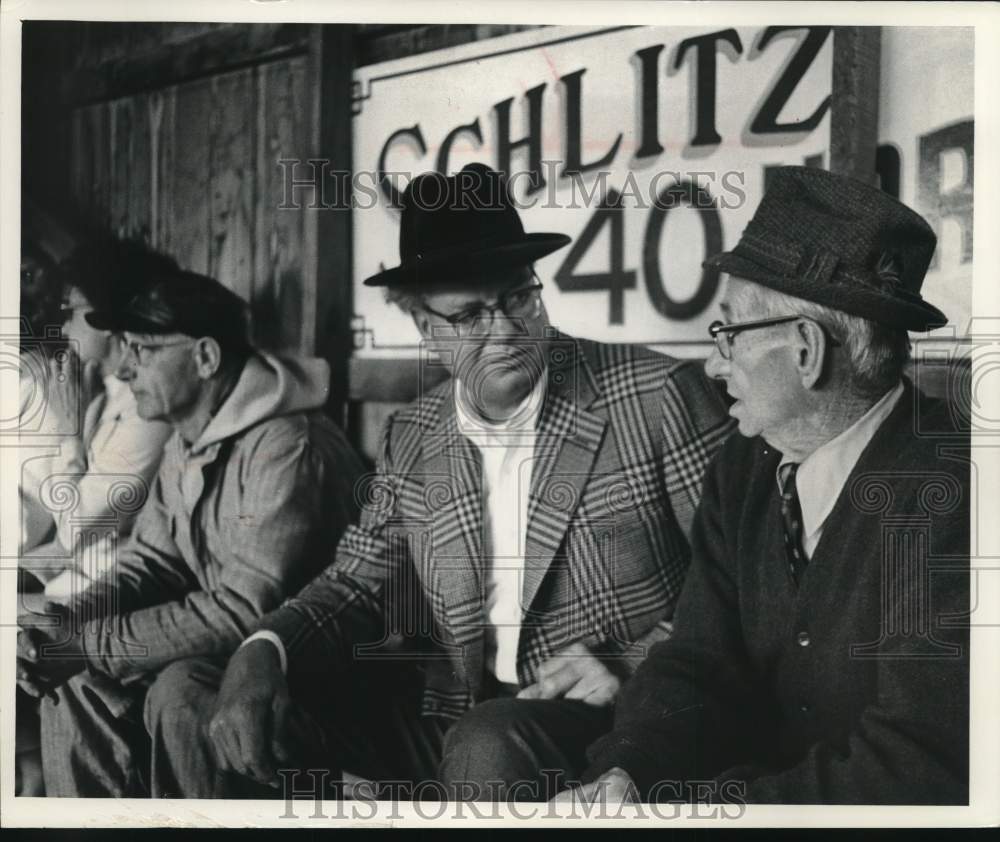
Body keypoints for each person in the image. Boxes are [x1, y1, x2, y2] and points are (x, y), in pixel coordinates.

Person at [158, 162, 736, 802]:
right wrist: (264, 649)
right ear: (425, 327)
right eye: (469, 316)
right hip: (448, 713)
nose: (507, 330)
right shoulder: (414, 431)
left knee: (487, 740)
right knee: (189, 692)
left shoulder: (657, 396)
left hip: (608, 720)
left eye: (519, 296)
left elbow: (741, 583)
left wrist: (635, 660)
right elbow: (359, 579)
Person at [573, 166, 970, 805]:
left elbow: (918, 768)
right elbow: (698, 664)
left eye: (727, 331)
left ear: (807, 351)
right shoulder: (744, 466)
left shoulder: (958, 491)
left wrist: (699, 812)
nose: (712, 360)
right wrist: (630, 769)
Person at [16, 264, 367, 798]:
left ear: (205, 357)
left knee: (179, 692)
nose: (126, 369)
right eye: (126, 348)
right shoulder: (189, 434)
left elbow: (246, 608)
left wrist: (88, 643)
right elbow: (152, 562)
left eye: (144, 351)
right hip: (227, 649)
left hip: (311, 672)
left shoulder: (286, 445)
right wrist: (72, 620)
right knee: (73, 678)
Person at [20, 239, 174, 598]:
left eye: (71, 311)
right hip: (76, 579)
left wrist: (69, 433)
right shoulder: (102, 392)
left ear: (106, 319)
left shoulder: (148, 410)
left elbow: (74, 526)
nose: (62, 328)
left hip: (113, 591)